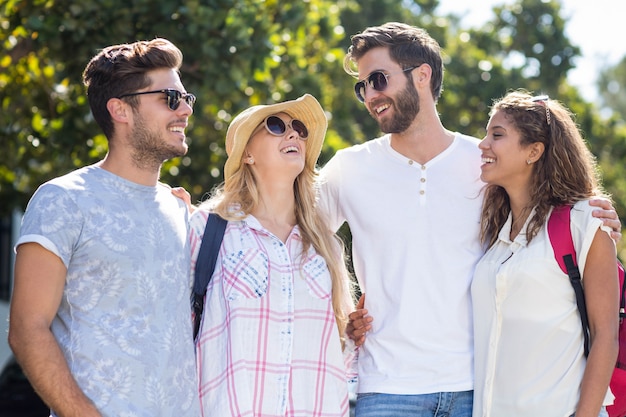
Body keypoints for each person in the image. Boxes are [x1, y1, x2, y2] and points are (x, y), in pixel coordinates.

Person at [317, 22, 621, 417]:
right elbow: (293, 234)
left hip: (478, 391)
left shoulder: (485, 165)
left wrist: (598, 216)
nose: (371, 95)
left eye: (378, 79)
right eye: (363, 87)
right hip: (388, 387)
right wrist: (340, 317)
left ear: (421, 75)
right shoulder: (349, 169)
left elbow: (545, 215)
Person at [8, 38, 201, 417]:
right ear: (120, 110)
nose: (185, 111)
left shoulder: (180, 211)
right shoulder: (63, 200)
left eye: (186, 98)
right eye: (170, 99)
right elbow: (27, 330)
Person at [190, 94, 357, 417]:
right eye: (276, 126)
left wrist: (353, 332)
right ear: (247, 154)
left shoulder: (325, 245)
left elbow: (343, 351)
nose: (293, 134)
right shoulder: (207, 230)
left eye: (299, 129)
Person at [472, 90, 618, 417]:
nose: (483, 144)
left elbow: (605, 338)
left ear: (534, 151)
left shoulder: (585, 221)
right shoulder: (495, 238)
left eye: (497, 135)